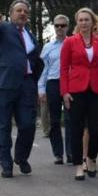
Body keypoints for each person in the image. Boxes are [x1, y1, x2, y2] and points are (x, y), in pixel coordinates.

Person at [0, 0, 44, 178]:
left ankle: (21, 157)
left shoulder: (29, 34)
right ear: (11, 13)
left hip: (26, 84)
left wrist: (36, 78)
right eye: (19, 11)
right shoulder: (3, 28)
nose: (22, 14)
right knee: (2, 126)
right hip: (3, 84)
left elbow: (34, 58)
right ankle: (6, 162)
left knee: (28, 125)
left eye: (25, 11)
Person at [60, 7, 98, 181]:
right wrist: (65, 91)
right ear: (77, 23)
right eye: (81, 20)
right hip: (76, 90)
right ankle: (78, 165)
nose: (84, 23)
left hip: (97, 90)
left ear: (93, 22)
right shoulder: (69, 42)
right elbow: (63, 68)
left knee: (96, 129)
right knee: (76, 129)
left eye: (87, 20)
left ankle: (91, 158)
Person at [38, 14, 73, 165]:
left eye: (62, 25)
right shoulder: (47, 47)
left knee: (71, 119)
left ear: (67, 27)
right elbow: (43, 70)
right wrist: (41, 89)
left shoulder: (73, 43)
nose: (59, 28)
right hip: (52, 83)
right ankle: (58, 153)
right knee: (54, 120)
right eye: (57, 25)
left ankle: (71, 153)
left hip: (71, 84)